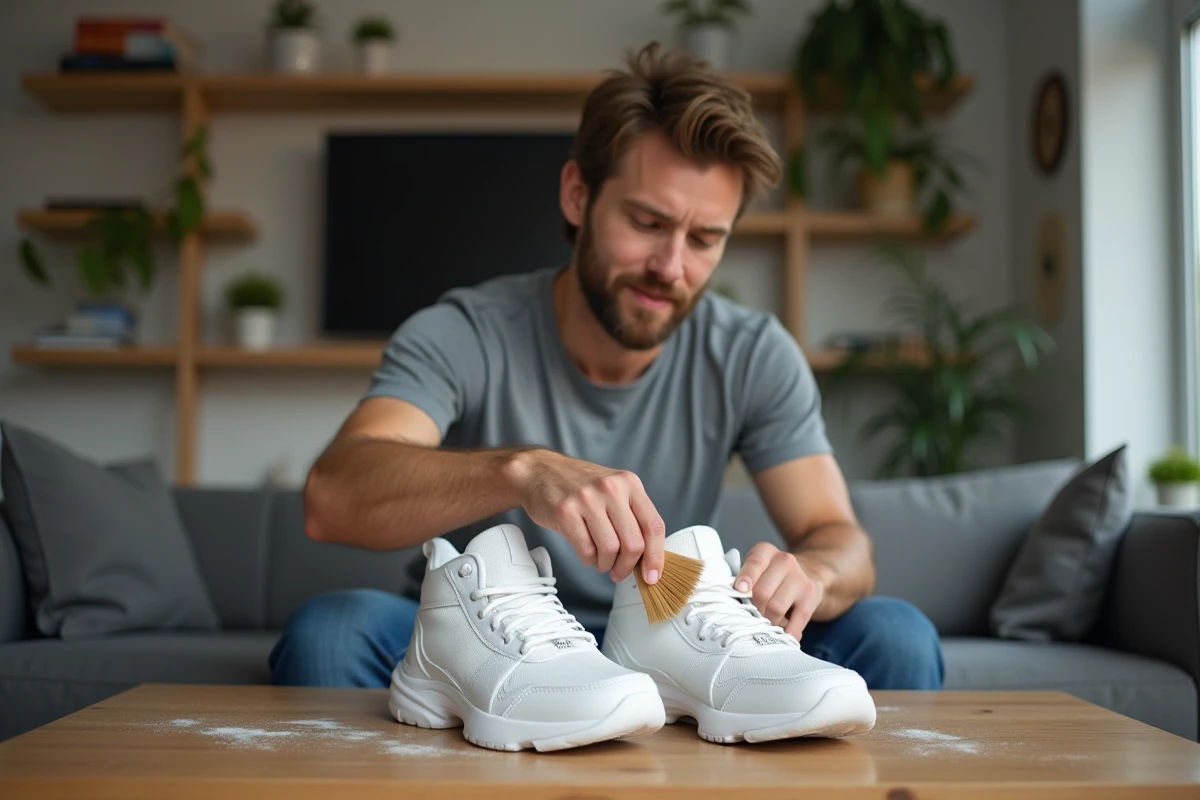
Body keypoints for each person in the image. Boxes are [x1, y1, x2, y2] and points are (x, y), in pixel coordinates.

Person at [270, 42, 944, 692]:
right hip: (488, 635)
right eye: (647, 222)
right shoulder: (463, 332)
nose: (672, 267)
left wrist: (817, 573)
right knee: (331, 632)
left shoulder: (751, 352)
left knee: (895, 635)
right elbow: (332, 499)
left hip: (675, 634)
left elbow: (842, 538)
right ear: (576, 196)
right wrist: (521, 471)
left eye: (706, 239)